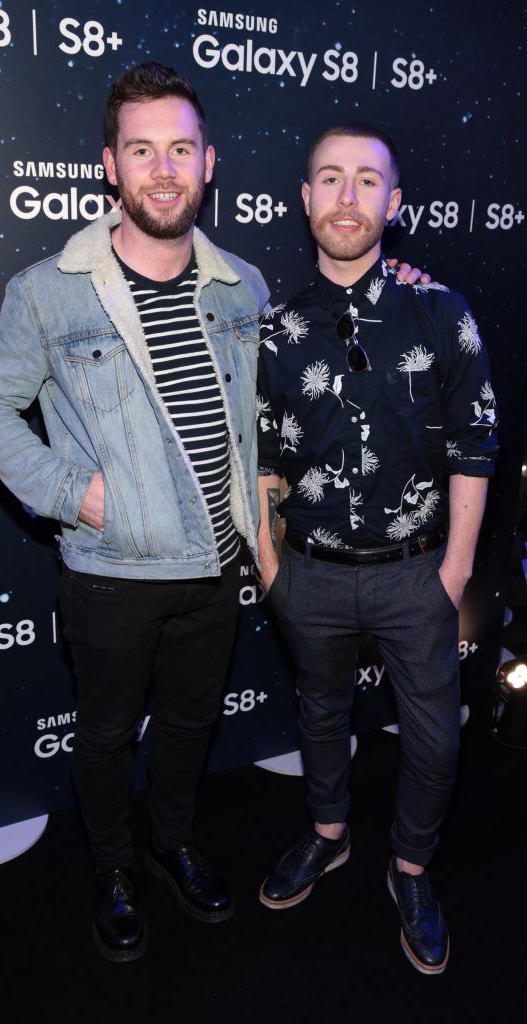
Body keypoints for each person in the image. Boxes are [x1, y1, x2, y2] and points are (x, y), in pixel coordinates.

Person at [0, 62, 426, 964]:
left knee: (186, 727)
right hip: (111, 573)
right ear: (111, 166)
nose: (162, 169)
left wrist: (393, 282)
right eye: (142, 150)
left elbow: (283, 398)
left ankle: (171, 845)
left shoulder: (242, 285)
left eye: (180, 149)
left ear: (209, 163)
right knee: (102, 736)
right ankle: (113, 871)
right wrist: (73, 494)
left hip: (219, 570)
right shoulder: (51, 290)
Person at [256, 124, 498, 975]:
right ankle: (328, 836)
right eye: (330, 178)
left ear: (394, 205)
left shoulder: (443, 312)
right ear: (307, 199)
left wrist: (455, 572)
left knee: (435, 741)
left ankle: (412, 867)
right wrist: (271, 564)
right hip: (310, 576)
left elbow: (476, 444)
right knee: (320, 714)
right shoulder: (277, 328)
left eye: (367, 181)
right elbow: (265, 456)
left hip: (416, 578)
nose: (347, 196)